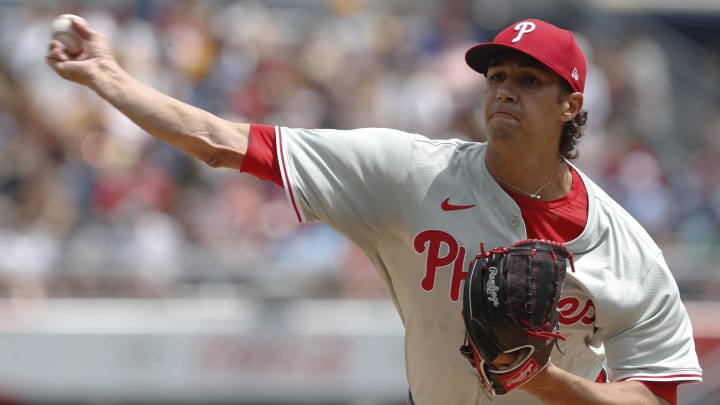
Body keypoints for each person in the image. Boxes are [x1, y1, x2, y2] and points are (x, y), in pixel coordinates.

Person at [47, 15, 702, 405]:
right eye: (496, 75)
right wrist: (111, 78)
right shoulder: (408, 172)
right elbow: (222, 143)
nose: (504, 90)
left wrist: (540, 377)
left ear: (571, 106)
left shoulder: (627, 249)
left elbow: (654, 396)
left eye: (528, 80)